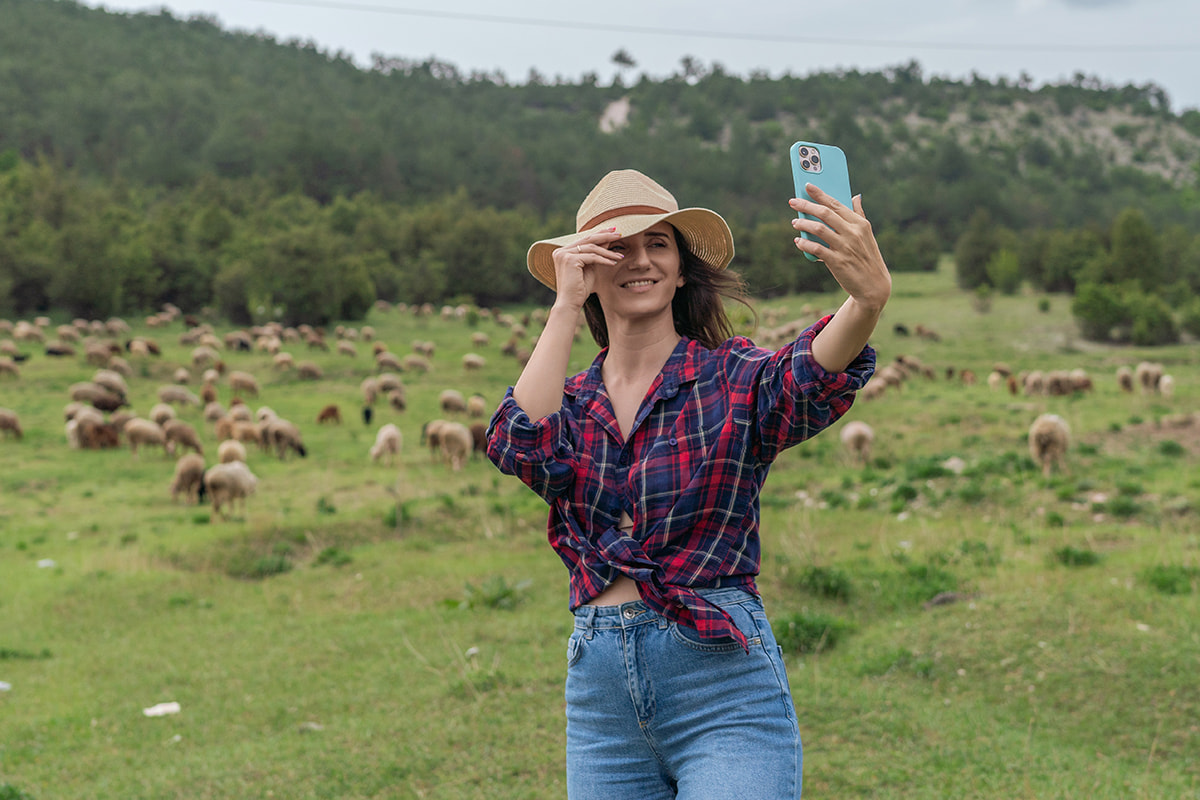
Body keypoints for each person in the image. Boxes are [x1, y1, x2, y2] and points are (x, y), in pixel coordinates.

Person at [486, 168, 890, 799]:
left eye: (659, 245)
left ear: (681, 271)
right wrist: (564, 305)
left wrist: (866, 301)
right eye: (616, 247)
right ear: (587, 269)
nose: (639, 260)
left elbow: (808, 375)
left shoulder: (732, 378)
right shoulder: (573, 401)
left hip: (721, 687)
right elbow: (521, 444)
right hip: (602, 706)